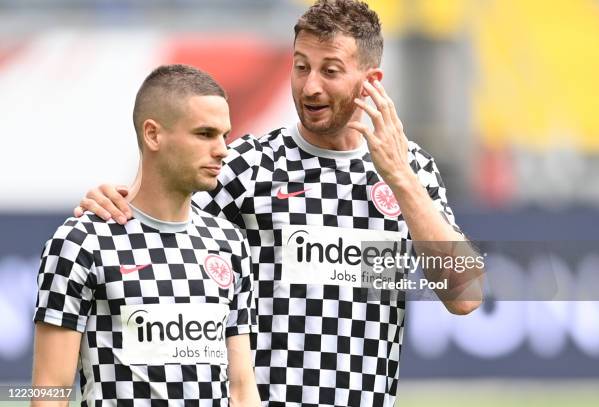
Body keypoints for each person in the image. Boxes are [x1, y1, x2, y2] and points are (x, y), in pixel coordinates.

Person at [76, 1, 484, 406]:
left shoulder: (413, 171)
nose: (310, 87)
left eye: (330, 71)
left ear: (371, 81)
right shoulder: (251, 166)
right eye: (301, 66)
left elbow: (465, 296)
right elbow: (149, 223)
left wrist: (399, 178)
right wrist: (114, 201)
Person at [32, 65, 260, 406]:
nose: (222, 149)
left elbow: (241, 388)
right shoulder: (82, 242)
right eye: (205, 134)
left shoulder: (229, 243)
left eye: (224, 135)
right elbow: (50, 390)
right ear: (153, 134)